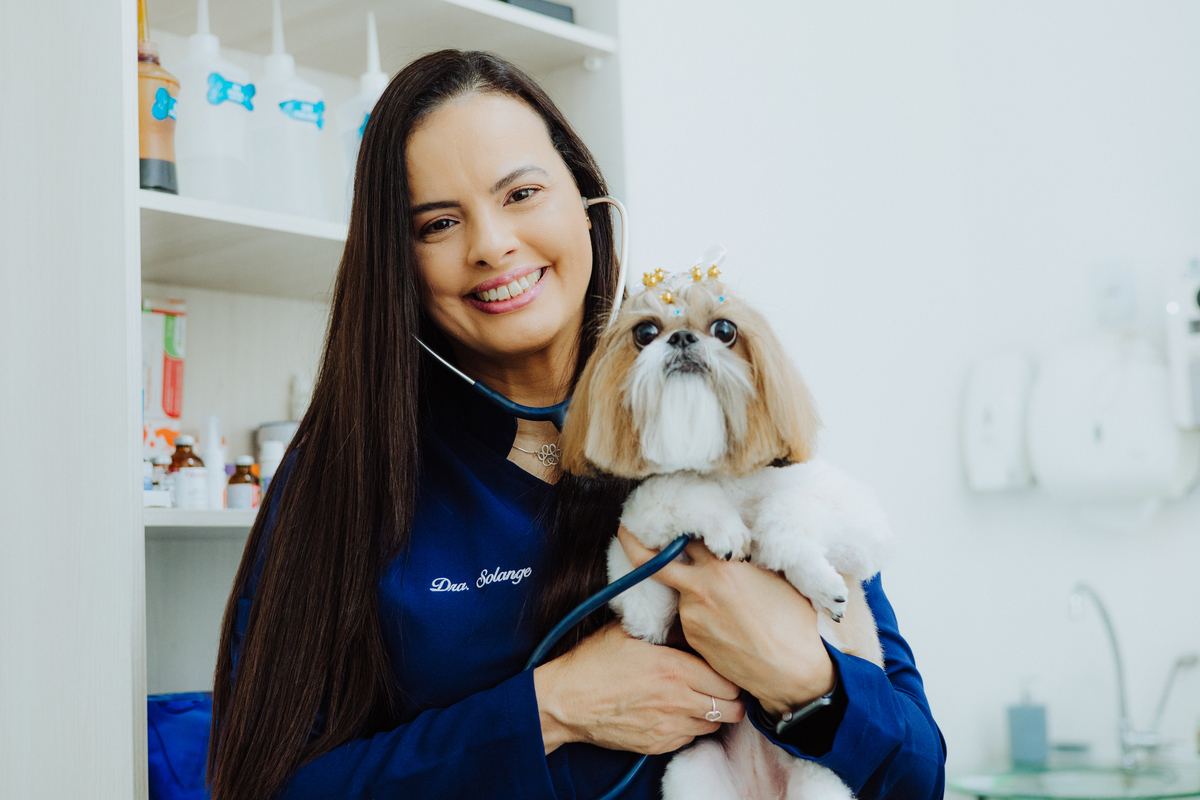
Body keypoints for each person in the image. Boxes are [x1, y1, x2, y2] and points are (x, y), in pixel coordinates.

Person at [207, 50, 946, 800]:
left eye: (522, 193)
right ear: (400, 262)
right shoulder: (349, 477)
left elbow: (918, 774)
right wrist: (548, 712)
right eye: (437, 223)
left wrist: (807, 682)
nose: (491, 244)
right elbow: (264, 787)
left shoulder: (732, 420)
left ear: (586, 201)